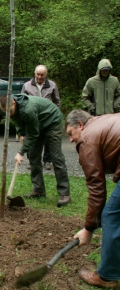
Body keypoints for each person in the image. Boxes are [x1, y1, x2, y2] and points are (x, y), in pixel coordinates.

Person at [65, 109, 120, 289]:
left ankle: (106, 276)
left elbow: (96, 188)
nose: (71, 140)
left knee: (110, 216)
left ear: (80, 125)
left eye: (70, 133)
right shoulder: (103, 120)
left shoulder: (87, 138)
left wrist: (89, 228)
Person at [0, 94, 70, 207]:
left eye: (9, 111)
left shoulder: (28, 110)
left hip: (52, 121)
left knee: (56, 157)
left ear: (14, 103)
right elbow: (17, 120)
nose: (8, 114)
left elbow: (33, 134)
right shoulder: (11, 108)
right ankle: (39, 190)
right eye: (5, 112)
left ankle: (65, 193)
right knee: (33, 155)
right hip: (38, 123)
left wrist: (21, 152)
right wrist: (21, 133)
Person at [21, 64, 61, 170]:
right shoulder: (27, 85)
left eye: (42, 75)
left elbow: (57, 101)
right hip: (32, 118)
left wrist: (55, 114)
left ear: (46, 75)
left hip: (48, 119)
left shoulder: (52, 85)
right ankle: (32, 160)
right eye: (38, 74)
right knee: (32, 139)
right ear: (35, 74)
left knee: (48, 140)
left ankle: (47, 161)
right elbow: (21, 101)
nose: (39, 77)